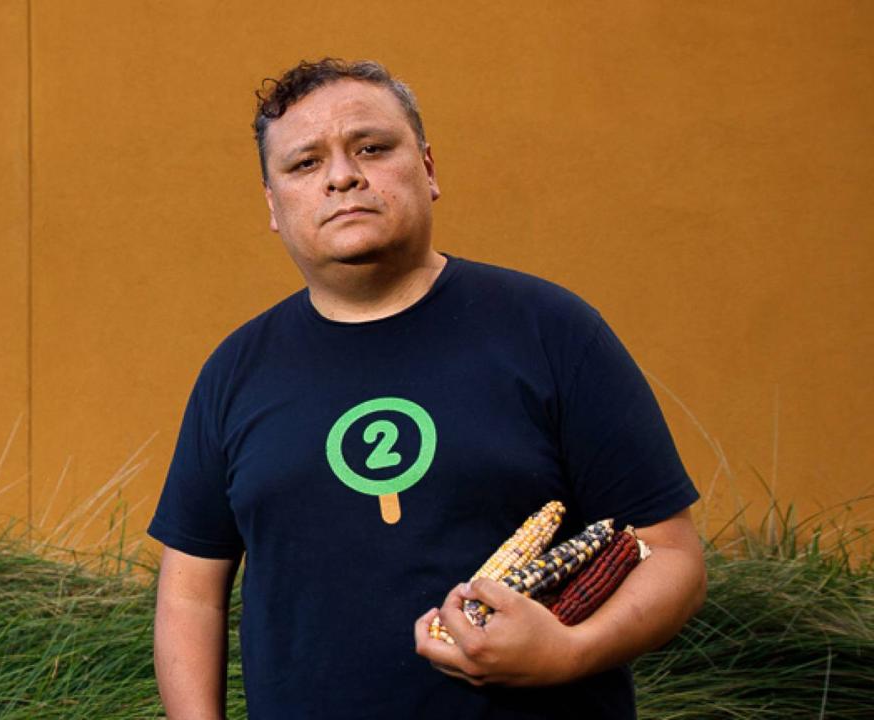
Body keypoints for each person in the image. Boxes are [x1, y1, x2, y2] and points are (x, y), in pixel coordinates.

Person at [148, 58, 706, 719]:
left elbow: (670, 556)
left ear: (429, 168)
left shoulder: (551, 330)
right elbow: (191, 596)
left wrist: (569, 652)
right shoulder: (235, 372)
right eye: (304, 164)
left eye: (372, 148)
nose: (342, 176)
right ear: (274, 206)